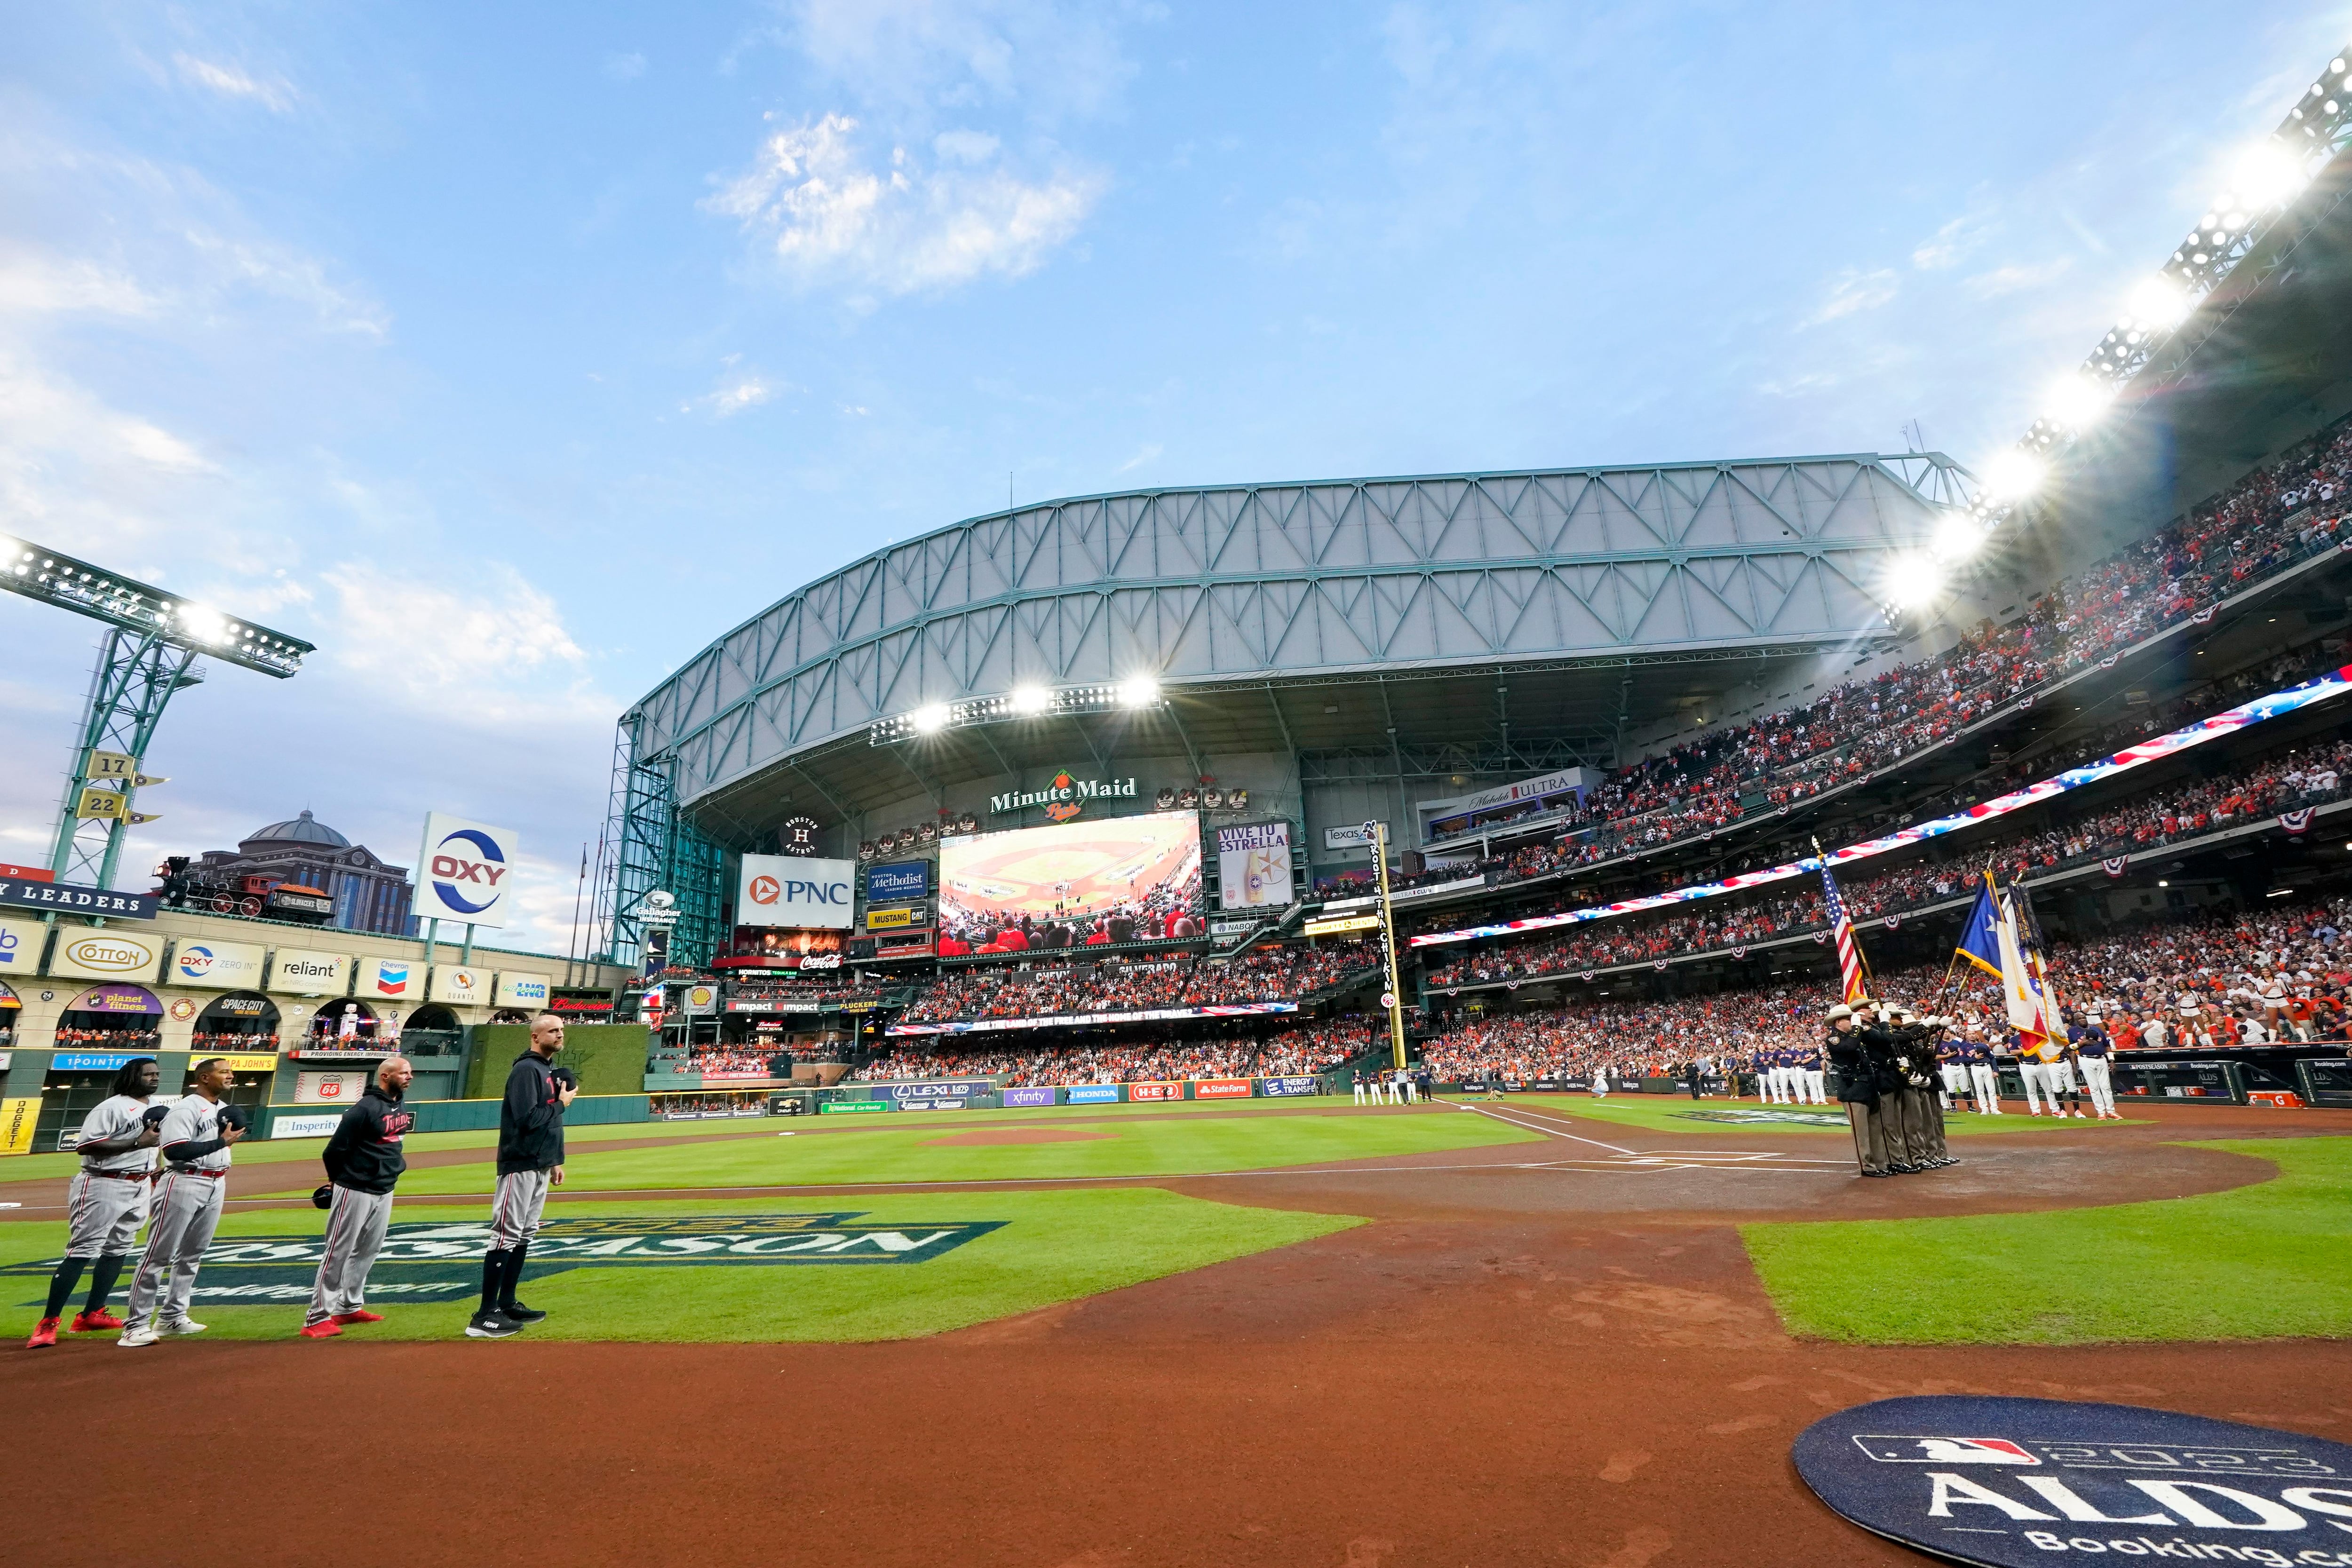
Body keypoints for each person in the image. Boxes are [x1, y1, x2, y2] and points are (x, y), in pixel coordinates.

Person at [27, 1057, 163, 1348]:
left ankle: (92, 1314)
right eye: (148, 1074)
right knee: (82, 1250)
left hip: (139, 1185)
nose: (154, 1078)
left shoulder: (152, 1108)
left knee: (119, 1249)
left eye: (156, 1074)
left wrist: (153, 1171)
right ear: (131, 1077)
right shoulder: (111, 1107)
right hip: (103, 1183)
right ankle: (48, 1322)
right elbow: (86, 1146)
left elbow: (155, 1145)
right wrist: (139, 1143)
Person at [119, 1057, 246, 1348]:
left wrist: (224, 1143)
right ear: (203, 1078)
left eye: (230, 1071)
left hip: (216, 1181)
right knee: (158, 1255)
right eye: (223, 1071)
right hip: (184, 1181)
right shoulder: (185, 1108)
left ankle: (172, 1315)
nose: (230, 1075)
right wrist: (221, 1143)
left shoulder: (222, 1110)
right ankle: (135, 1326)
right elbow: (176, 1150)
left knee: (193, 1254)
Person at [471, 1013, 576, 1339]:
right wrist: (561, 1104)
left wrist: (555, 1160)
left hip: (540, 1163)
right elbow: (528, 1119)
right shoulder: (526, 1070)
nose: (560, 1035)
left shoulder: (545, 1069)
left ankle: (507, 1302)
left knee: (525, 1234)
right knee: (506, 1234)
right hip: (520, 1163)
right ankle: (485, 1315)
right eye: (553, 1031)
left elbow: (547, 1123)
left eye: (561, 1030)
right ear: (535, 1036)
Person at [301, 1056, 416, 1339]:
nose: (410, 1077)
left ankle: (349, 1307)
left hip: (385, 1187)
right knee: (338, 1252)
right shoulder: (364, 1109)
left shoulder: (396, 1103)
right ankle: (316, 1318)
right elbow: (333, 1151)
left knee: (369, 1250)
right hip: (356, 1188)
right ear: (386, 1077)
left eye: (410, 1072)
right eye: (403, 1073)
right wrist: (338, 1181)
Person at [1825, 1005, 1887, 1177]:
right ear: (1839, 1023)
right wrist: (1858, 1027)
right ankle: (1867, 1166)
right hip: (1853, 1088)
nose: (1852, 1022)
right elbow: (1850, 1047)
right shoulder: (1834, 1039)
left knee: (1875, 1129)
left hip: (1868, 1086)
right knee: (1862, 1133)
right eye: (1848, 1019)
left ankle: (1881, 1163)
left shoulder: (1856, 1037)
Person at [2074, 1012, 2120, 1120]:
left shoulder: (2097, 1029)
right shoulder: (2072, 1031)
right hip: (2085, 1059)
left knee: (2106, 1086)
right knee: (2094, 1087)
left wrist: (2111, 1060)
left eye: (2084, 1017)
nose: (2083, 1020)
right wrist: (2082, 1044)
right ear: (2076, 1021)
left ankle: (2111, 1111)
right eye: (2080, 1018)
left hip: (2101, 1058)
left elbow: (2107, 1045)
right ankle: (2101, 1112)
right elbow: (2070, 1049)